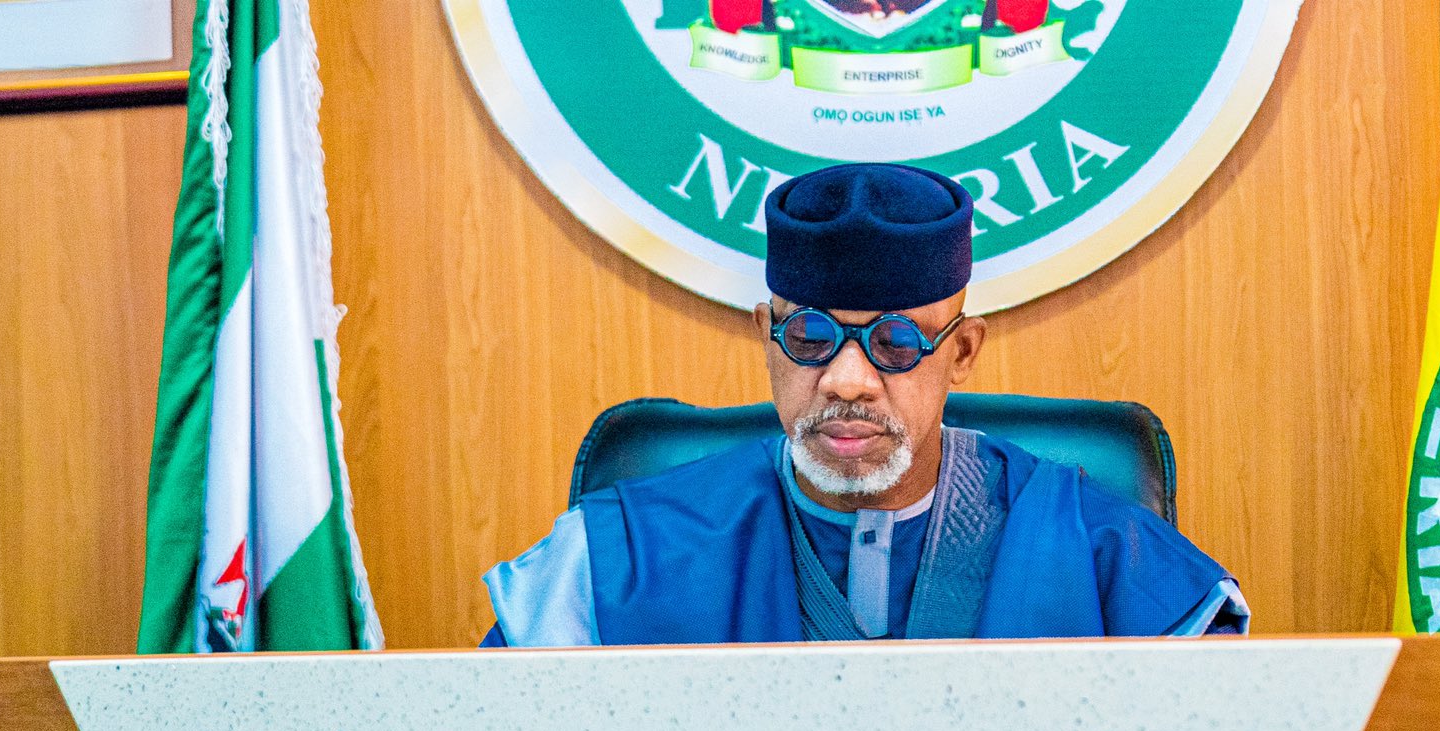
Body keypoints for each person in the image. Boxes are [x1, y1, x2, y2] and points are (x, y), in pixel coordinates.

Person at [480, 162, 1247, 646]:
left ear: (963, 351)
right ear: (767, 337)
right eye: (811, 337)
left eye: (896, 342)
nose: (848, 380)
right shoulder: (621, 555)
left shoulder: (1096, 546)